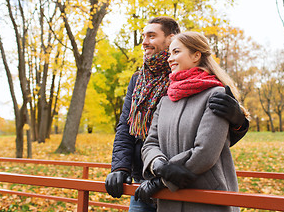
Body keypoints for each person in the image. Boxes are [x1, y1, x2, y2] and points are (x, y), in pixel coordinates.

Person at [105, 17, 249, 211]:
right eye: (143, 36)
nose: (144, 42)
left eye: (152, 35)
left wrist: (239, 121)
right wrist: (121, 167)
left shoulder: (205, 84)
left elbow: (212, 142)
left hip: (190, 182)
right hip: (145, 175)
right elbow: (128, 127)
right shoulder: (140, 80)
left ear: (171, 38)